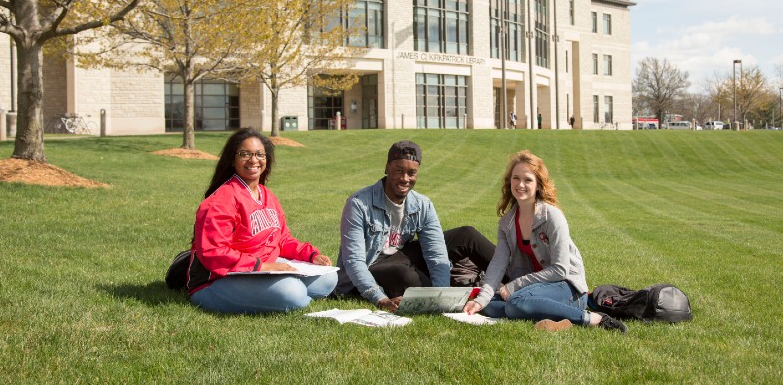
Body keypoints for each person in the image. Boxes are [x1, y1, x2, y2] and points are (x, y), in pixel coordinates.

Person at [463, 150, 628, 333]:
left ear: (538, 185)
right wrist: (481, 299)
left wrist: (515, 285)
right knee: (489, 305)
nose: (520, 185)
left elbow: (560, 269)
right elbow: (498, 263)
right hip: (534, 290)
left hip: (567, 287)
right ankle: (556, 318)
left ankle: (593, 318)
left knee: (514, 304)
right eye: (516, 178)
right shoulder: (506, 223)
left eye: (528, 180)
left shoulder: (552, 216)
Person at [186, 127, 337, 314]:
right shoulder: (220, 200)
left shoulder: (267, 196)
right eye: (245, 154)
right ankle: (289, 295)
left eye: (259, 154)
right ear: (232, 159)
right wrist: (262, 266)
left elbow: (282, 239)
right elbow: (215, 253)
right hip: (218, 280)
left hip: (262, 271)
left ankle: (281, 293)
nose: (254, 160)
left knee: (329, 279)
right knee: (293, 292)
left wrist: (311, 255)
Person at [336, 140, 496, 312]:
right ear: (387, 168)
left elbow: (436, 253)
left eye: (411, 173)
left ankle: (516, 283)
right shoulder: (359, 204)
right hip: (369, 270)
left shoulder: (422, 204)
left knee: (466, 235)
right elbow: (354, 262)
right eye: (399, 171)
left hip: (398, 260)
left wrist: (443, 291)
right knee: (403, 274)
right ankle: (453, 298)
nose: (405, 179)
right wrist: (380, 299)